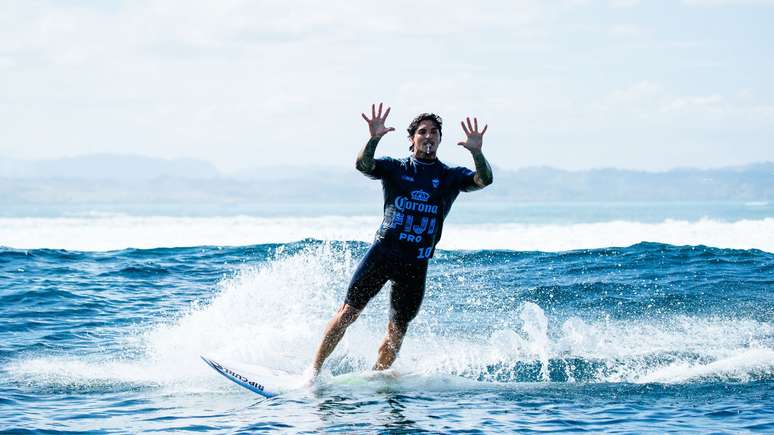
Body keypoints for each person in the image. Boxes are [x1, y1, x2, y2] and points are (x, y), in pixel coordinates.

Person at [309, 102, 493, 377]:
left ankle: (376, 377)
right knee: (348, 313)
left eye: (434, 132)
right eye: (422, 131)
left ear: (440, 139)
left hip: (416, 264)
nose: (428, 136)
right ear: (412, 139)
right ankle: (312, 373)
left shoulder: (450, 177)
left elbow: (484, 179)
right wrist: (374, 139)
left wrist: (477, 153)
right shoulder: (396, 168)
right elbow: (363, 164)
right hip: (383, 255)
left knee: (397, 330)